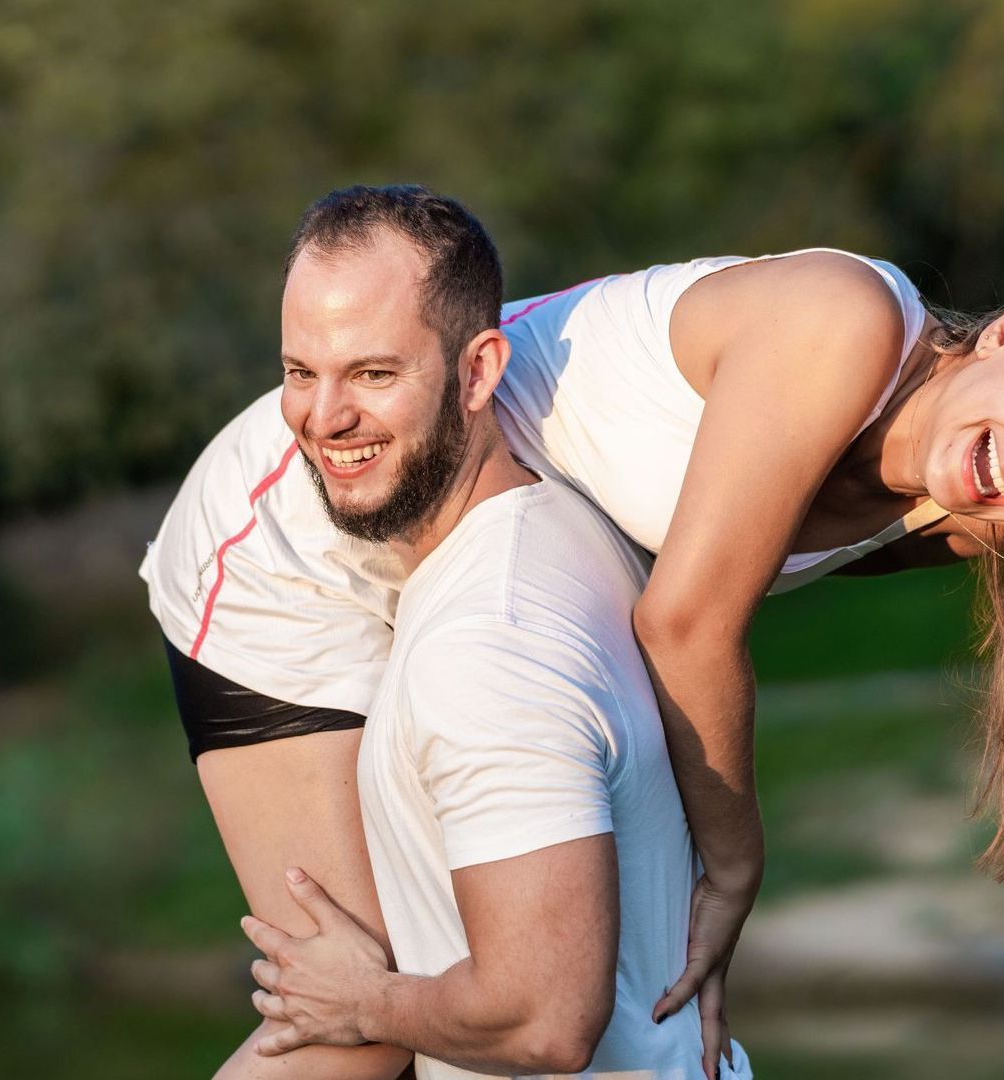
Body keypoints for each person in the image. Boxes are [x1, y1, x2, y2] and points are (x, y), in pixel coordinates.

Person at [141, 184, 1004, 1078]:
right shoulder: (842, 320)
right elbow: (688, 621)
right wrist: (735, 866)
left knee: (423, 1014)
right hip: (294, 546)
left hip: (454, 577)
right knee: (350, 1032)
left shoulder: (949, 511)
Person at [231, 211, 750, 1079]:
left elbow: (544, 1018)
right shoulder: (565, 521)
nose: (323, 416)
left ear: (479, 373)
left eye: (372, 372)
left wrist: (359, 1002)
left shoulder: (486, 650)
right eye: (299, 372)